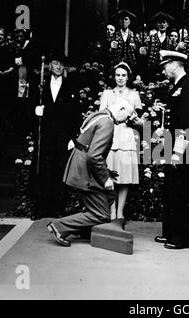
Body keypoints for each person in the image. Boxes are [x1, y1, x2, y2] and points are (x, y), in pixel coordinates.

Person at [47, 93, 135, 246]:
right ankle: (59, 226)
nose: (126, 121)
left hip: (80, 165)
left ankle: (83, 229)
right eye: (127, 117)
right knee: (102, 214)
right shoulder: (107, 122)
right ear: (120, 109)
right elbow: (94, 156)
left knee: (108, 197)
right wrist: (106, 178)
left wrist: (106, 172)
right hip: (85, 169)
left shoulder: (99, 115)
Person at [154, 50, 189, 249]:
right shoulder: (178, 86)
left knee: (182, 191)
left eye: (165, 66)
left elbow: (188, 122)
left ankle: (183, 238)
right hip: (173, 143)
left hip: (183, 146)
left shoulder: (188, 87)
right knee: (172, 190)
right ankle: (171, 232)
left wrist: (178, 150)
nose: (164, 70)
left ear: (174, 63)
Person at [32, 53, 81, 219]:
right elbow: (31, 103)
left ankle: (57, 208)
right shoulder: (41, 84)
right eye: (55, 63)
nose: (58, 67)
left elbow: (75, 113)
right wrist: (35, 111)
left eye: (61, 64)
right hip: (45, 133)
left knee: (59, 169)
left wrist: (72, 138)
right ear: (50, 66)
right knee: (43, 169)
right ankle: (40, 208)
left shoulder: (70, 85)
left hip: (62, 134)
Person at [99, 62, 143, 227]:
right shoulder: (107, 94)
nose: (120, 78)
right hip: (110, 137)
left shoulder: (134, 94)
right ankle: (111, 213)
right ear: (114, 76)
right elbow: (101, 117)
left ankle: (120, 213)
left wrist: (134, 120)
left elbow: (139, 121)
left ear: (128, 77)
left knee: (124, 178)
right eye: (118, 75)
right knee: (110, 176)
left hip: (126, 136)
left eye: (123, 75)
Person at [139, 11, 176, 81]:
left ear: (167, 24)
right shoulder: (149, 39)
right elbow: (144, 58)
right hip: (151, 71)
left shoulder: (171, 41)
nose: (162, 24)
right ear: (157, 25)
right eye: (159, 23)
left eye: (164, 22)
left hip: (165, 72)